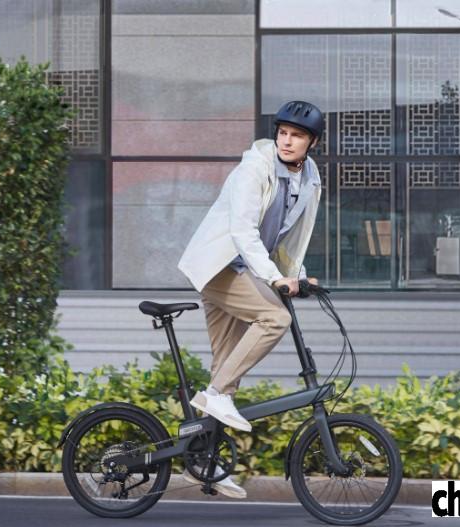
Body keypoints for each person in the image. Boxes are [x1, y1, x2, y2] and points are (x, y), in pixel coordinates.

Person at [176, 101, 324, 497]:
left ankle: (203, 465)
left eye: (297, 136)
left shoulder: (309, 178)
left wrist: (297, 276)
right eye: (282, 133)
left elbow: (290, 237)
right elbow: (243, 232)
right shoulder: (254, 169)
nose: (287, 141)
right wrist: (275, 279)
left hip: (246, 270)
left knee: (227, 365)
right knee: (275, 320)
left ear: (312, 142)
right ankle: (216, 395)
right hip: (219, 267)